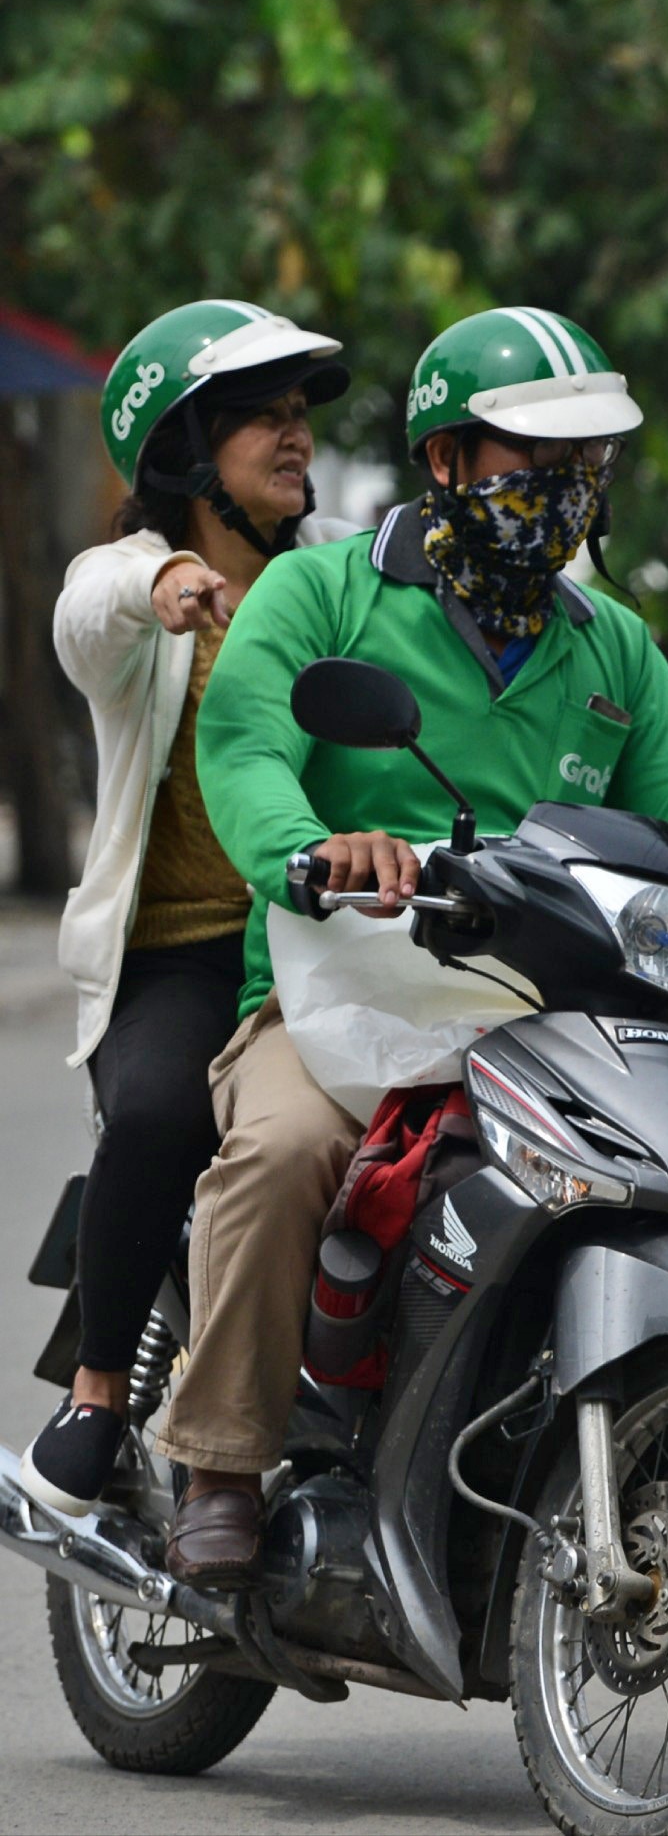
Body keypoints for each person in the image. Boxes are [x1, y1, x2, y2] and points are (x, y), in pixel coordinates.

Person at [156, 306, 668, 1584]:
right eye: (534, 459)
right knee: (288, 1148)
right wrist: (317, 848)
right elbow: (244, 750)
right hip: (330, 994)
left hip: (534, 1004)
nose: (563, 490)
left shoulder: (609, 645)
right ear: (448, 460)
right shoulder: (321, 592)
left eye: (584, 466)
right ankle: (223, 1458)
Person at [20, 302, 352, 1516]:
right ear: (180, 446)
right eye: (262, 414)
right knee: (160, 1110)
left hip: (319, 950)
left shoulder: (328, 584)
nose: (294, 435)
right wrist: (160, 579)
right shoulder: (141, 600)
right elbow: (85, 606)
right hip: (173, 963)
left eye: (300, 412)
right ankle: (101, 1392)